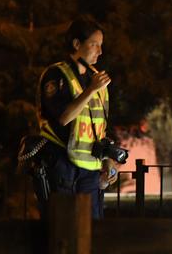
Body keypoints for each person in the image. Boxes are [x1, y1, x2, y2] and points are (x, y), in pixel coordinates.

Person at [35, 14, 118, 220]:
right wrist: (90, 90)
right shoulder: (57, 75)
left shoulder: (97, 80)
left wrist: (107, 158)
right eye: (94, 44)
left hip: (90, 168)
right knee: (63, 230)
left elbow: (99, 126)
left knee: (91, 232)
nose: (100, 51)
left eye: (101, 45)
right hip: (62, 165)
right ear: (76, 44)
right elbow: (63, 118)